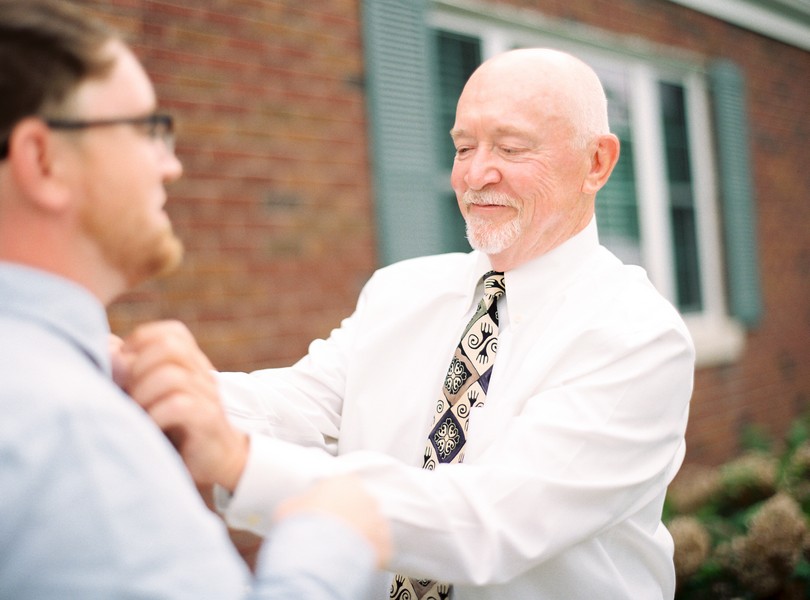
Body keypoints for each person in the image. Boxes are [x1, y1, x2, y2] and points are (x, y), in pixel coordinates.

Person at [119, 48, 696, 599]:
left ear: (597, 162)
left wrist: (241, 462)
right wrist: (132, 374)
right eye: (463, 147)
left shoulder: (638, 336)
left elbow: (487, 523)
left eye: (511, 148)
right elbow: (301, 404)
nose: (476, 175)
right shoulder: (398, 291)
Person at [0, 1, 390, 598]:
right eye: (146, 130)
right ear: (42, 160)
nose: (172, 165)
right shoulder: (73, 431)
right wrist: (330, 537)